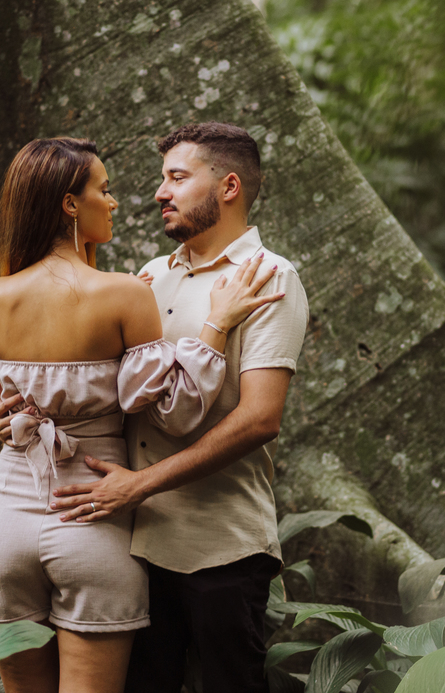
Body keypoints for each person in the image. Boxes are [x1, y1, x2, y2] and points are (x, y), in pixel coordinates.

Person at [0, 136, 283, 693]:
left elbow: (8, 398)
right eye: (104, 190)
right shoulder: (126, 293)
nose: (115, 202)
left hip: (3, 522)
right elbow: (177, 410)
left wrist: (6, 419)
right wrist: (215, 325)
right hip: (92, 516)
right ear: (70, 205)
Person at [46, 122, 309, 693]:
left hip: (222, 548)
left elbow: (261, 418)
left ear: (229, 186)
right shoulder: (148, 280)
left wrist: (138, 485)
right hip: (131, 546)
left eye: (177, 177)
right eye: (162, 178)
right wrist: (16, 415)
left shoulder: (268, 277)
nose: (160, 191)